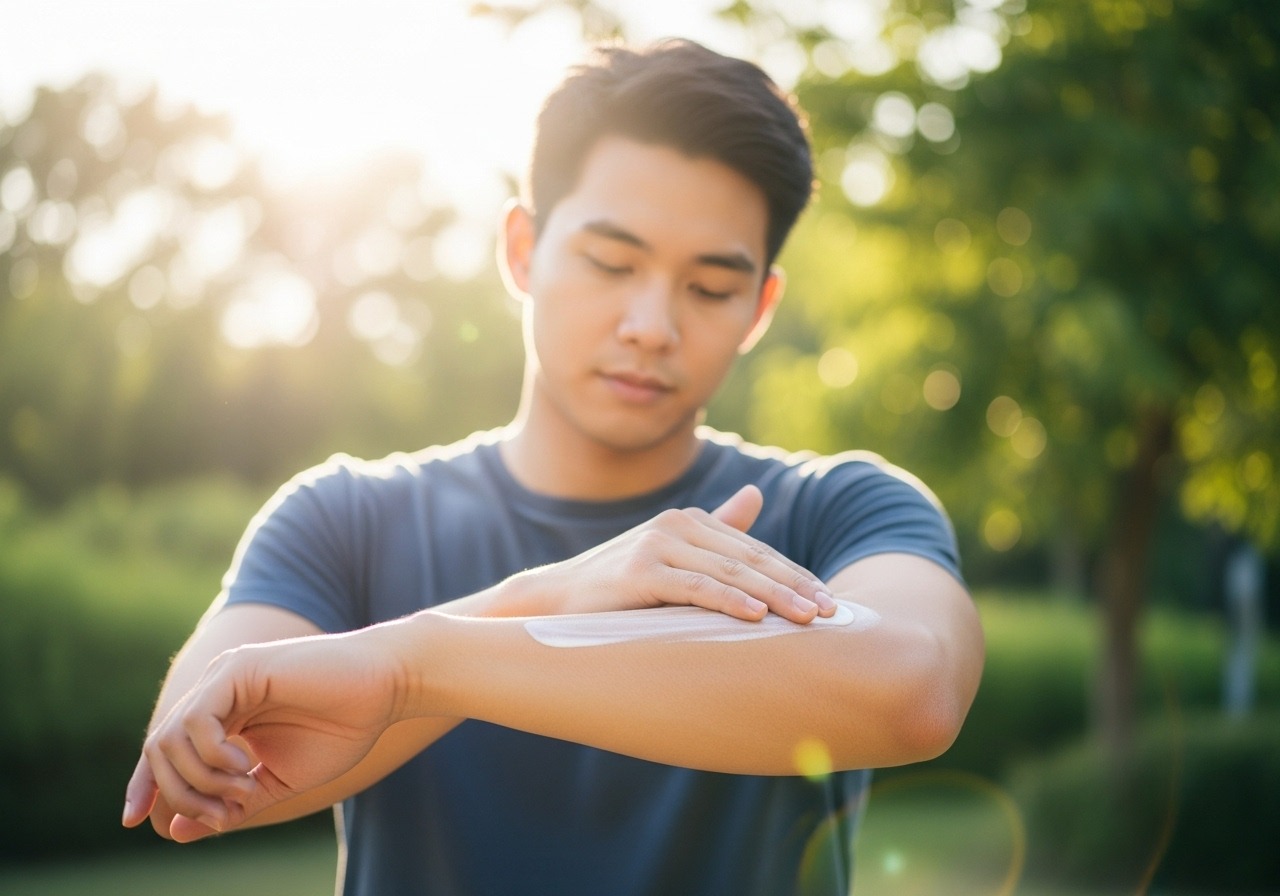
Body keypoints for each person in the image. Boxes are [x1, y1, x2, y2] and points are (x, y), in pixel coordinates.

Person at [123, 38, 984, 896]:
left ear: (761, 305)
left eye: (711, 288)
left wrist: (415, 670)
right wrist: (540, 598)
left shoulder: (839, 509)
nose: (651, 324)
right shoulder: (345, 517)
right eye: (611, 264)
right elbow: (192, 774)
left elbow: (913, 690)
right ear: (523, 250)